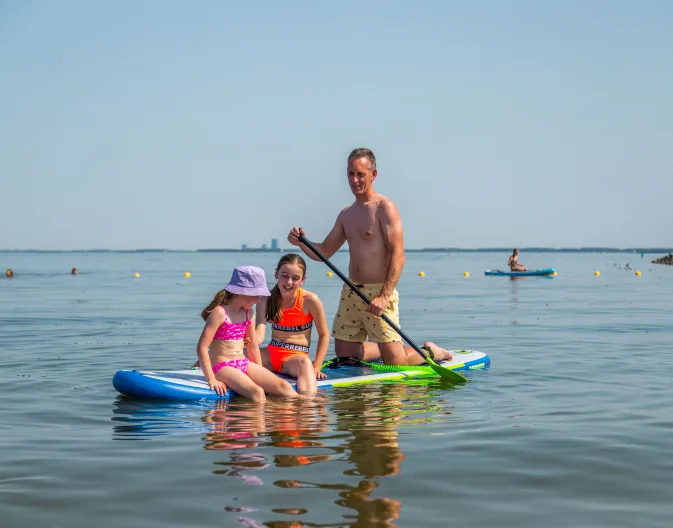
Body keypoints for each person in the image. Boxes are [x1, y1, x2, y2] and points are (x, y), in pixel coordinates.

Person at [288, 147, 452, 366]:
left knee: (396, 362)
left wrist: (384, 296)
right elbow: (324, 252)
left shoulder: (385, 208)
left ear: (373, 175)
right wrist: (301, 242)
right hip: (351, 290)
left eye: (360, 174)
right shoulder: (346, 214)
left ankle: (430, 351)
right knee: (346, 358)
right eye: (350, 174)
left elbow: (398, 255)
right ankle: (382, 352)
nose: (354, 180)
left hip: (379, 293)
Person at [196, 265, 304, 402]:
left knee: (284, 386)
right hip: (222, 366)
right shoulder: (220, 313)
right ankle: (259, 423)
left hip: (243, 362)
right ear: (243, 292)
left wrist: (261, 374)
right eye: (256, 295)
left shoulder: (249, 313)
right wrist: (211, 379)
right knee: (257, 393)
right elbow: (202, 348)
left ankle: (300, 419)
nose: (258, 300)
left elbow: (253, 347)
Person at [251, 253, 330, 395]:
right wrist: (243, 343)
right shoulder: (265, 299)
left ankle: (307, 404)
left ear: (303, 280)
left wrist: (316, 367)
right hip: (269, 355)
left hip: (295, 358)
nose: (288, 282)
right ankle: (199, 370)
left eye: (295, 278)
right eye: (284, 276)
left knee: (306, 363)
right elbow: (260, 332)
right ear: (276, 274)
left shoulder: (310, 300)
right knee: (225, 353)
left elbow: (324, 335)